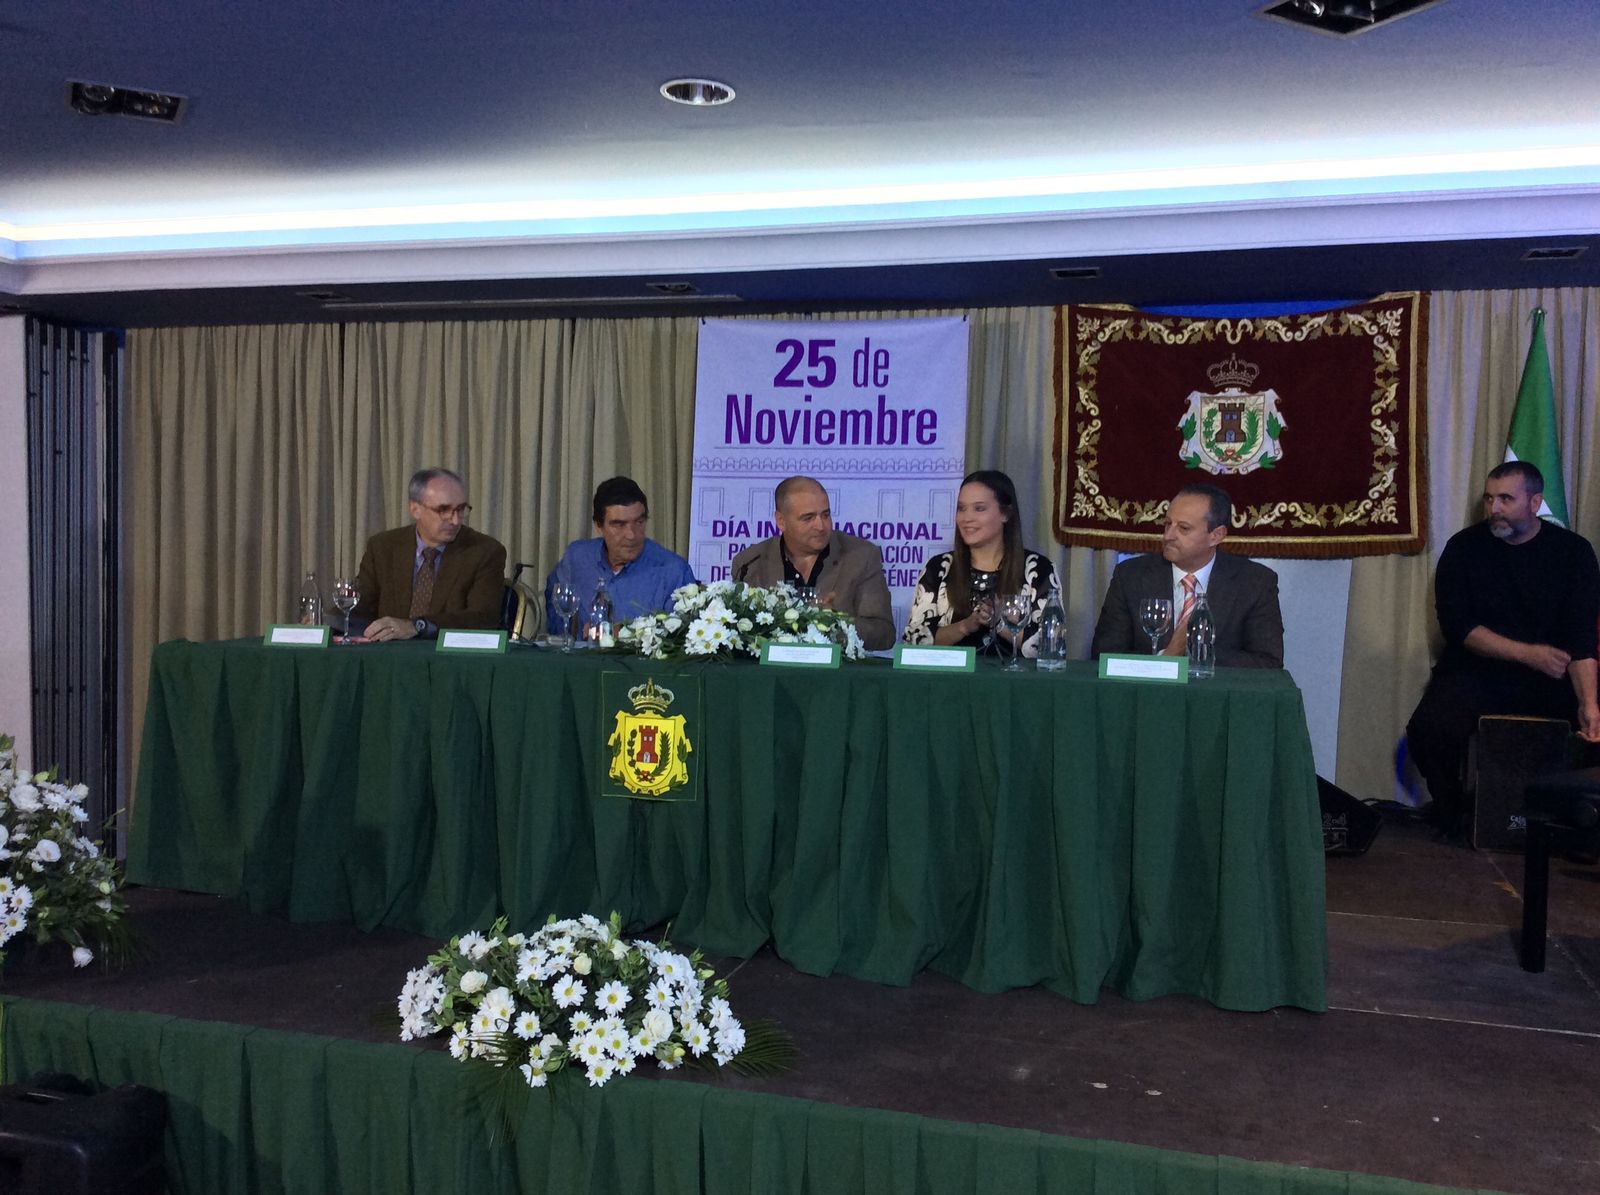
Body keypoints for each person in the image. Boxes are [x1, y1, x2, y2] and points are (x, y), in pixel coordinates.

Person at [1406, 461, 1600, 837]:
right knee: (1428, 732)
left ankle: (1576, 829)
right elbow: (1460, 628)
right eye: (1489, 499)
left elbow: (1581, 638)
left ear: (1535, 502)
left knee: (1593, 730)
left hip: (1553, 676)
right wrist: (1529, 654)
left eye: (1506, 499)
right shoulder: (1464, 548)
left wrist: (1589, 705)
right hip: (1477, 671)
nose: (1494, 509)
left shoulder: (1574, 553)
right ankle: (1456, 816)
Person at [1090, 482, 1284, 667]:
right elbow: (1104, 655)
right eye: (1167, 524)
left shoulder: (1255, 582)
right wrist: (1167, 656)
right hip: (1147, 697)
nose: (1168, 536)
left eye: (1183, 528)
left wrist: (1197, 653)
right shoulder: (1130, 576)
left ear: (1216, 535)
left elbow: (1268, 662)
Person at [729, 475, 896, 650]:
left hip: (835, 674)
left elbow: (884, 634)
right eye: (808, 518)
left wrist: (835, 623)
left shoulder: (861, 557)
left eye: (826, 515)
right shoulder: (750, 563)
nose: (821, 526)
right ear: (781, 521)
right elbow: (738, 631)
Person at [902, 470, 1057, 657]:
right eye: (961, 508)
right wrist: (965, 627)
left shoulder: (1038, 570)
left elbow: (1052, 645)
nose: (967, 518)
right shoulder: (939, 568)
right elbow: (912, 642)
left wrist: (999, 623)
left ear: (1005, 514)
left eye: (979, 508)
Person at [352, 467, 507, 641]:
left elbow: (483, 618)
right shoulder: (383, 547)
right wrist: (325, 624)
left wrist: (417, 625)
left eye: (461, 509)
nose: (455, 520)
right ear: (415, 509)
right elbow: (358, 605)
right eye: (444, 510)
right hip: (388, 656)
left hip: (450, 660)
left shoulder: (484, 551)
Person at [545, 476, 696, 632]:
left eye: (639, 522)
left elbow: (681, 638)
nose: (631, 535)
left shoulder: (674, 571)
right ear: (599, 526)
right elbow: (556, 602)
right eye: (619, 524)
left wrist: (625, 635)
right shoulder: (577, 557)